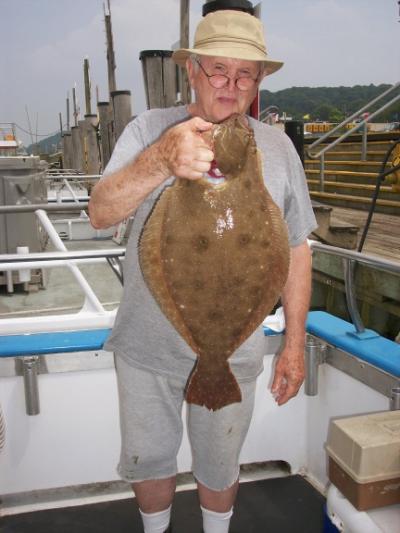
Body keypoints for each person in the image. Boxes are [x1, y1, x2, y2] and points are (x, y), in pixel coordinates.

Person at [89, 9, 317, 533]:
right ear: (191, 69)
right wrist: (161, 160)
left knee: (220, 465)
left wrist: (293, 344)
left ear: (258, 82)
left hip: (233, 352)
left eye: (244, 75)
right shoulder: (148, 129)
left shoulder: (279, 147)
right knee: (149, 458)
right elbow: (100, 214)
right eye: (218, 70)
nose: (230, 86)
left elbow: (296, 248)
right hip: (147, 346)